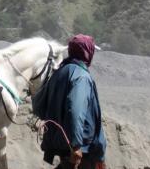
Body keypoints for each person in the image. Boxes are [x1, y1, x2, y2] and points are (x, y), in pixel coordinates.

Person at [33, 34, 106, 169]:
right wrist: (76, 145)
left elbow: (38, 105)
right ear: (86, 52)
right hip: (82, 148)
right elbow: (76, 110)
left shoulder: (59, 72)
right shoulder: (81, 77)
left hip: (62, 142)